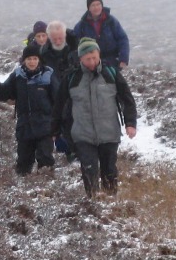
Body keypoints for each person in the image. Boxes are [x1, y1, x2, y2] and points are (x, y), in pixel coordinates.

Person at [52, 38, 137, 198]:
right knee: (89, 170)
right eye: (87, 59)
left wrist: (130, 123)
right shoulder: (71, 78)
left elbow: (127, 100)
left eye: (94, 58)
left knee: (109, 171)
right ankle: (93, 203)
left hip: (109, 133)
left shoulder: (111, 74)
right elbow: (59, 106)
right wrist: (54, 130)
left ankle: (111, 203)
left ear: (99, 55)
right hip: (82, 134)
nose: (91, 62)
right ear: (80, 59)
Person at [0, 45, 56, 176]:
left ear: (39, 59)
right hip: (24, 125)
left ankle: (45, 184)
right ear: (24, 60)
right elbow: (4, 94)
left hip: (45, 125)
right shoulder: (17, 76)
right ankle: (24, 184)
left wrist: (58, 123)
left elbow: (58, 99)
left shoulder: (48, 75)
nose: (32, 62)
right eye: (29, 59)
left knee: (45, 159)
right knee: (23, 163)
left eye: (35, 58)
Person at [40, 21, 79, 160]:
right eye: (54, 39)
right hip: (54, 92)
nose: (57, 41)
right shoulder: (44, 53)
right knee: (59, 122)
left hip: (74, 91)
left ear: (65, 35)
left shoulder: (75, 48)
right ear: (49, 38)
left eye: (60, 38)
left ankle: (78, 151)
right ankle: (67, 151)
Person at [73, 0, 129, 70]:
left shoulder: (111, 21)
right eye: (93, 5)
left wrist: (123, 59)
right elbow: (75, 45)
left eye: (98, 4)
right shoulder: (81, 26)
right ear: (88, 8)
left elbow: (122, 39)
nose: (96, 7)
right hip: (91, 64)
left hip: (112, 62)